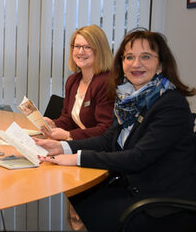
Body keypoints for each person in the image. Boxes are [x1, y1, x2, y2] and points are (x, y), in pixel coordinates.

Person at [36, 29, 196, 232]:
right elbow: (108, 140)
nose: (136, 64)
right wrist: (62, 147)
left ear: (161, 65)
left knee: (82, 201)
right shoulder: (130, 100)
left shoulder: (170, 104)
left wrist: (77, 158)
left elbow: (137, 158)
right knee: (76, 196)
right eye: (129, 57)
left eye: (145, 57)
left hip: (160, 204)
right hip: (132, 186)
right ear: (122, 62)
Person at [45, 25, 114, 141]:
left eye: (87, 47)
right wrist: (53, 124)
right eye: (77, 46)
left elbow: (105, 129)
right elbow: (68, 120)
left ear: (100, 51)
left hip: (97, 151)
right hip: (80, 145)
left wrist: (69, 136)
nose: (81, 52)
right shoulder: (73, 80)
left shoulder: (107, 82)